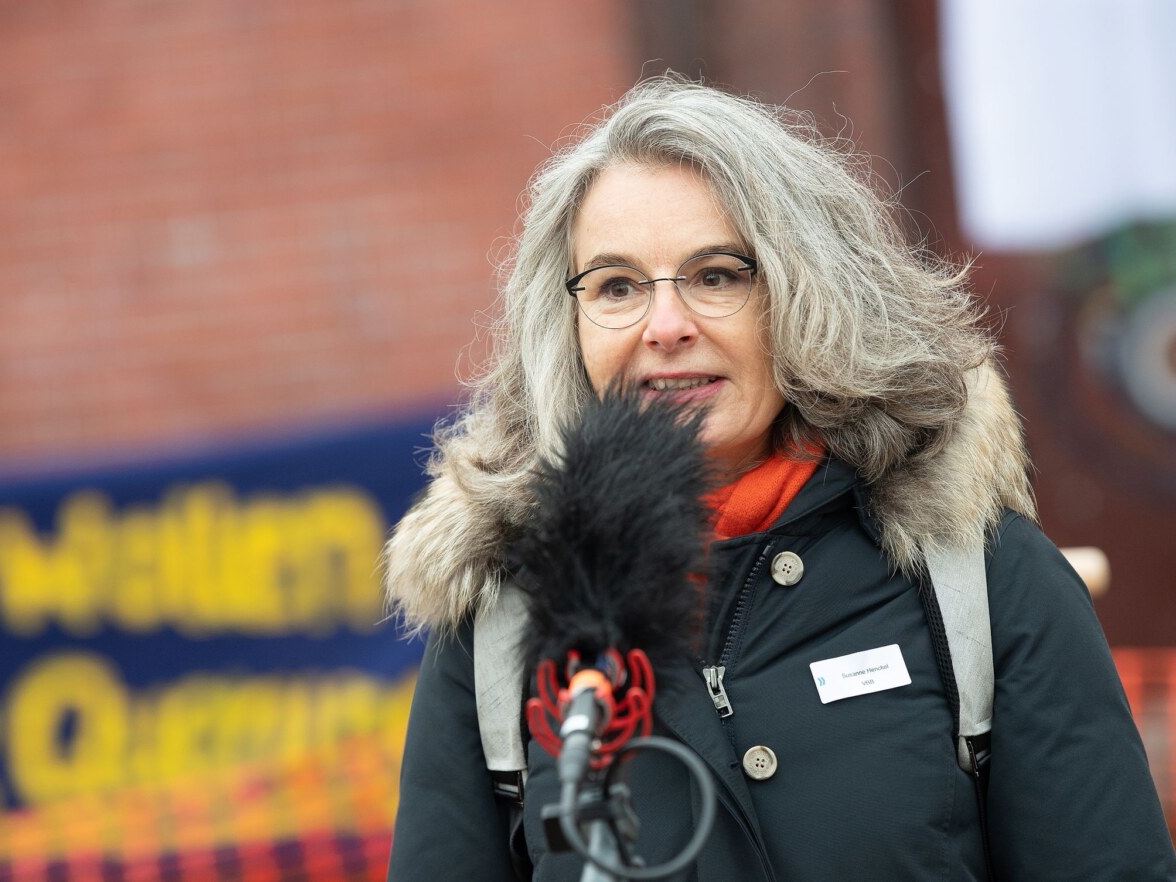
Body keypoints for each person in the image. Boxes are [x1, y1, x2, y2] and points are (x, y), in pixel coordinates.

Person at [384, 77, 1176, 880]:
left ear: (808, 294)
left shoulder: (979, 577)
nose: (666, 327)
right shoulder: (500, 631)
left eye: (718, 274)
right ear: (570, 325)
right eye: (617, 287)